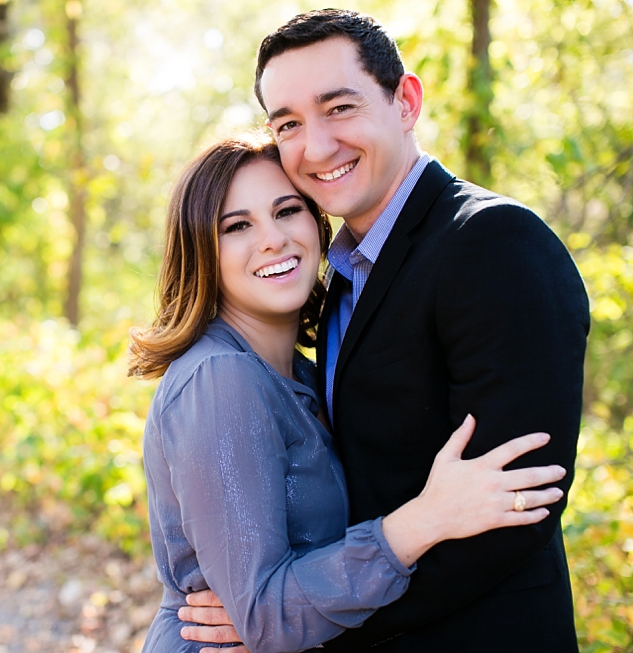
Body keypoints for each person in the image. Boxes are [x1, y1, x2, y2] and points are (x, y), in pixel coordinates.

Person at [177, 9, 590, 653]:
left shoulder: (493, 242)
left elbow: (515, 509)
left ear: (406, 101)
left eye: (339, 107)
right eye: (288, 124)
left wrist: (307, 619)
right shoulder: (338, 275)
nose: (315, 147)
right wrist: (286, 608)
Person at [129, 134, 567, 653]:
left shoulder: (304, 374)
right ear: (201, 250)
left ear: (317, 226)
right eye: (238, 226)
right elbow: (263, 620)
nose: (272, 239)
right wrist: (425, 519)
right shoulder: (221, 378)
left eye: (287, 210)